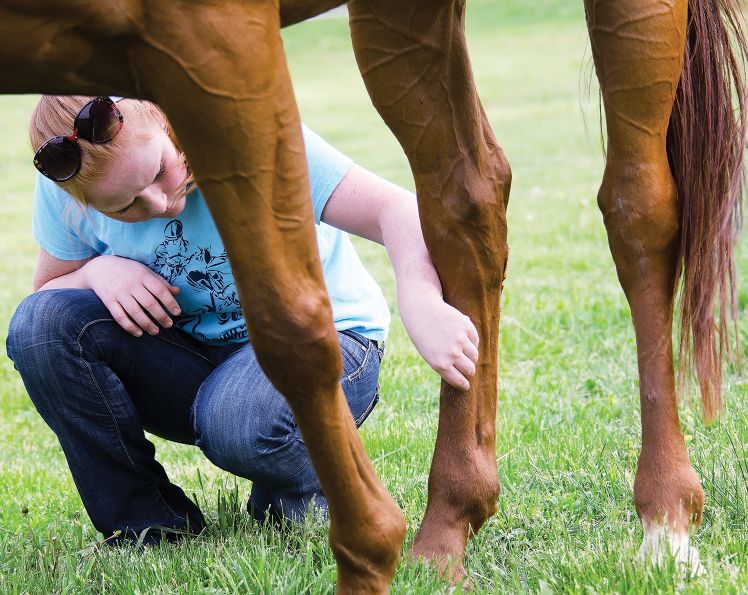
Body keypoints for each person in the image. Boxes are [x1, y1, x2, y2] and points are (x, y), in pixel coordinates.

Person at [5, 95, 480, 544]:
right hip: (197, 362)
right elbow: (47, 295)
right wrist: (97, 272)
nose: (159, 204)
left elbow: (392, 208)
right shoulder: (66, 192)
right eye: (125, 207)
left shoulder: (245, 133)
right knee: (41, 328)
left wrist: (419, 296)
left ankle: (304, 482)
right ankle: (149, 527)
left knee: (241, 423)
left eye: (159, 172)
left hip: (323, 341)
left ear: (160, 115)